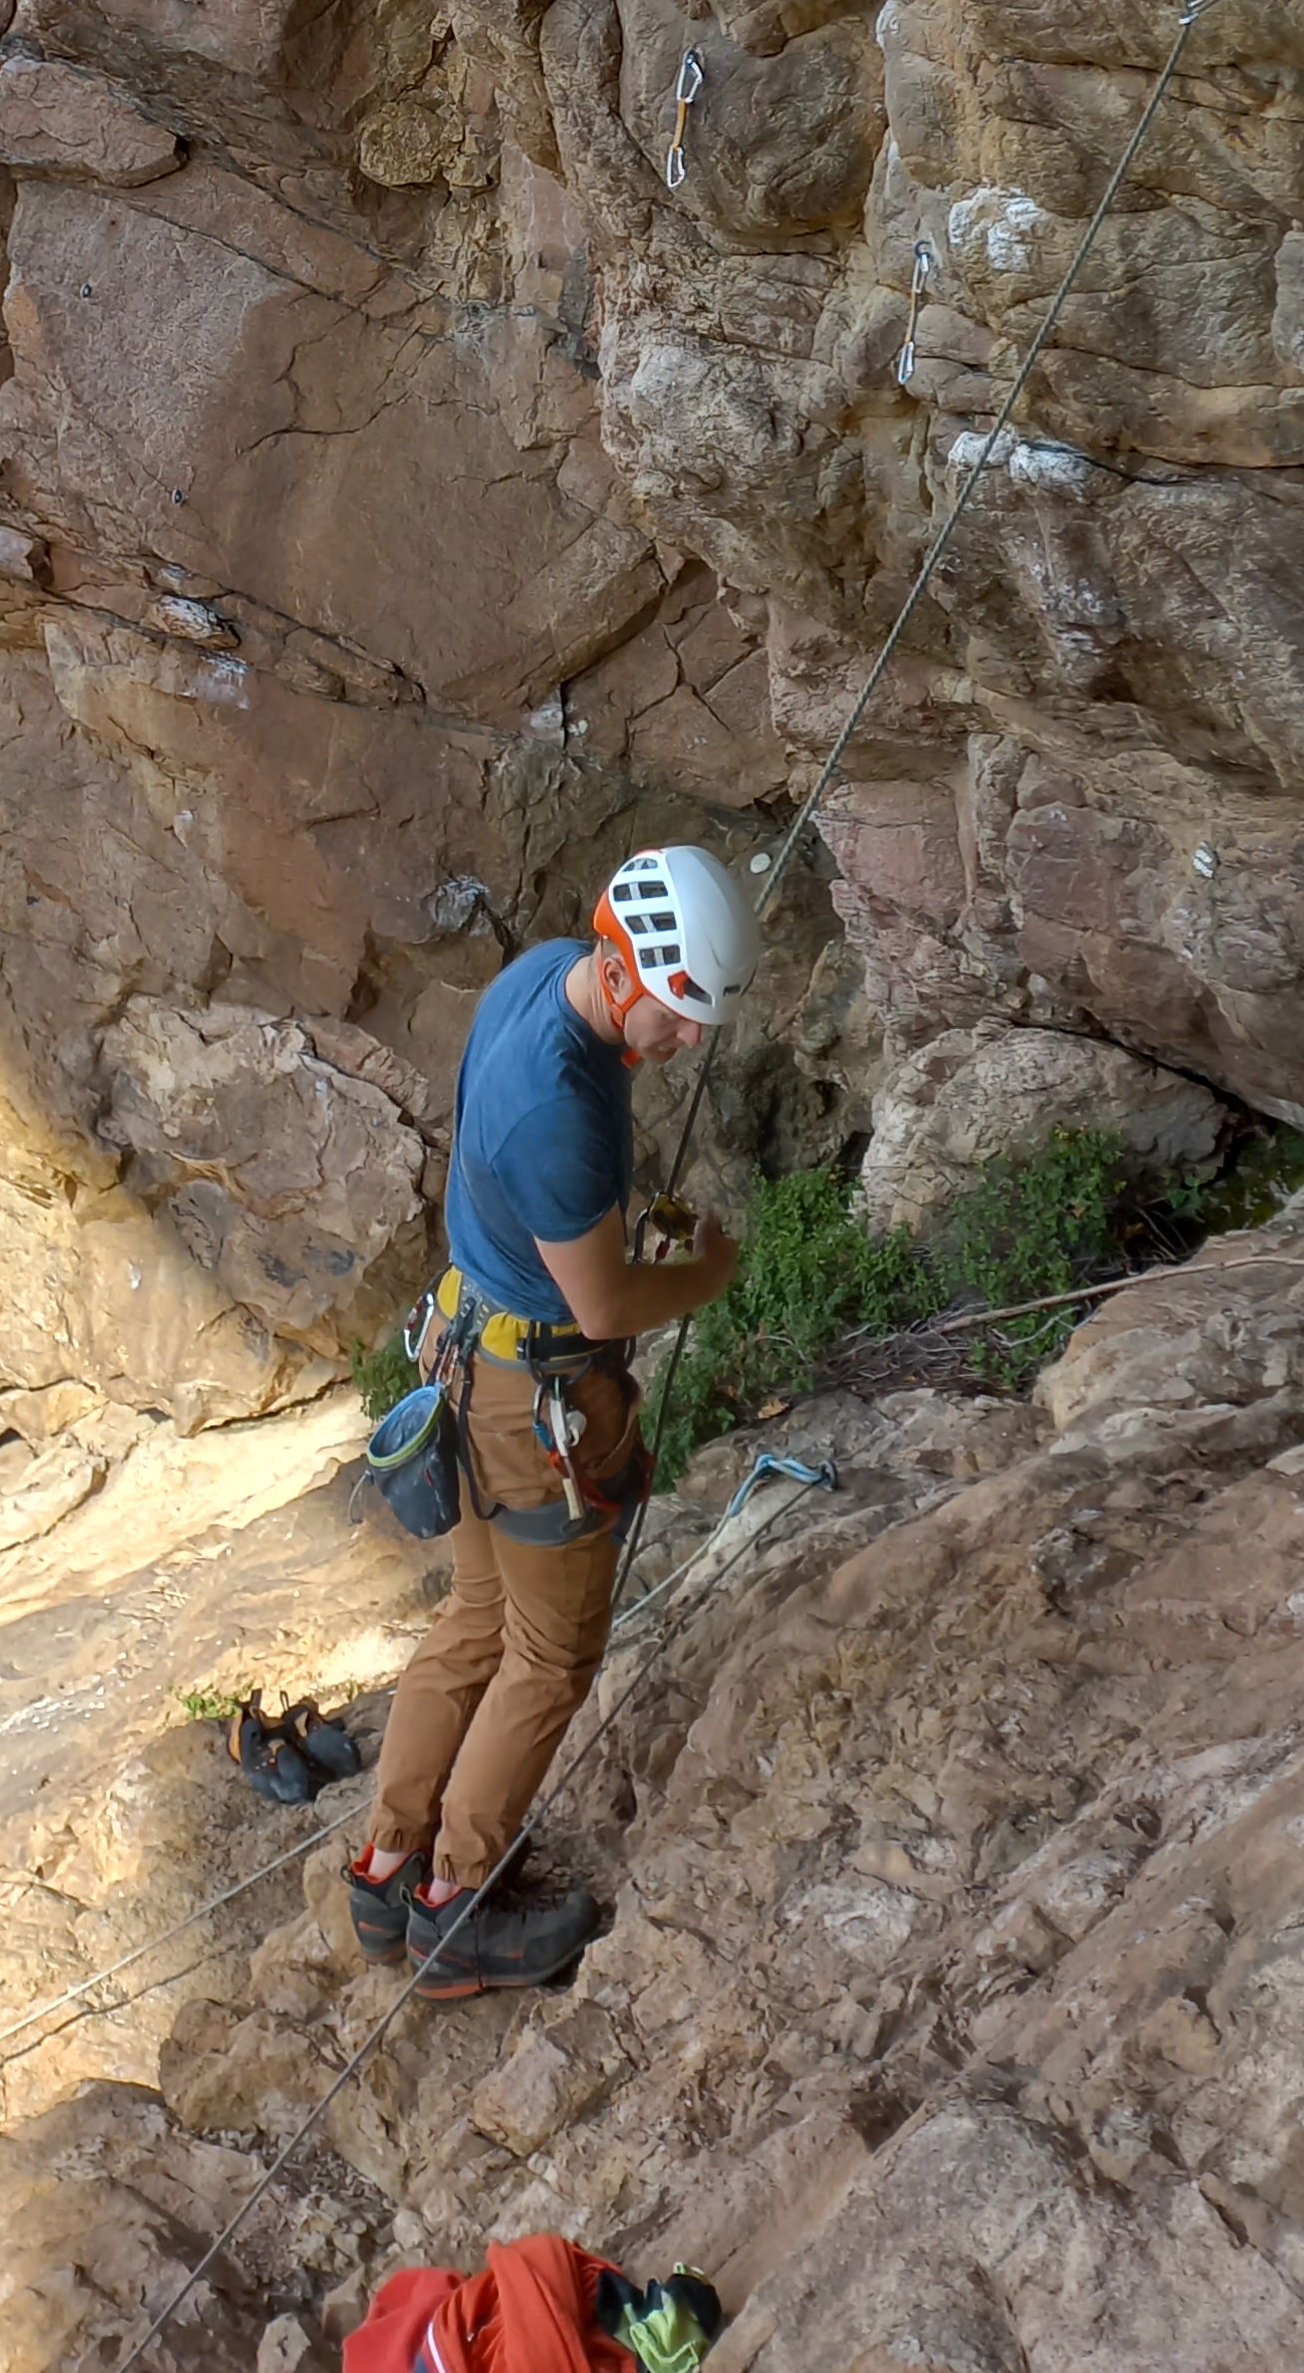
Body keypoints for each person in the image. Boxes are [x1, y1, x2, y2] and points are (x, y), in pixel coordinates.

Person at [349, 841, 756, 1999]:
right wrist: (709, 1265)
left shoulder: (541, 976)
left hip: (467, 1347)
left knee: (479, 1614)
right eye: (679, 1014)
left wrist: (641, 1224)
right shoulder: (560, 1117)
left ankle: (386, 1867)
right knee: (548, 1653)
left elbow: (583, 1216)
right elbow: (610, 1299)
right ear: (623, 972)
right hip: (534, 1407)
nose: (690, 1041)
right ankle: (456, 1906)